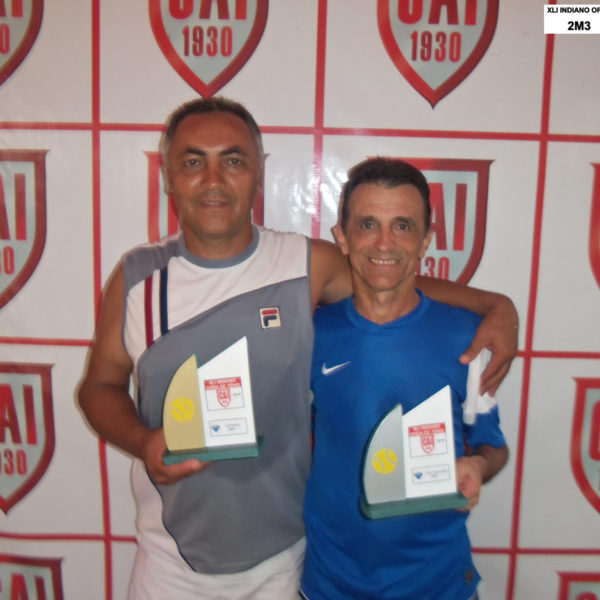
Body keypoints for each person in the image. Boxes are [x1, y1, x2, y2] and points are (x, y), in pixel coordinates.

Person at [78, 97, 516, 600]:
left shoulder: (306, 264)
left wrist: (496, 306)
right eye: (194, 161)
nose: (214, 180)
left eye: (233, 160)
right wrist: (143, 441)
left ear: (258, 173)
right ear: (169, 176)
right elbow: (99, 386)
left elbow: (385, 276)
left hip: (284, 563)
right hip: (169, 559)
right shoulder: (137, 277)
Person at [300, 157, 509, 600]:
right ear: (342, 237)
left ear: (425, 240)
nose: (384, 242)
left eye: (402, 226)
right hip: (330, 583)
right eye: (368, 224)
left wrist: (478, 465)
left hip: (438, 584)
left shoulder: (468, 339)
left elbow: (492, 446)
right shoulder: (308, 335)